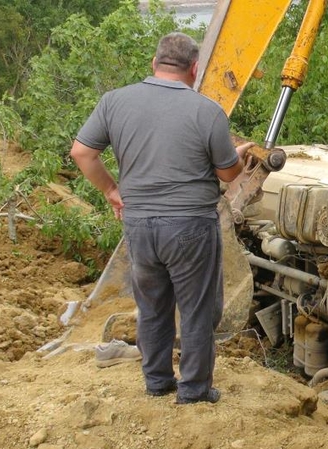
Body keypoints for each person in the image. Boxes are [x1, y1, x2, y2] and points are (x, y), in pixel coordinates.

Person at [70, 32, 253, 404]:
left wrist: (111, 190)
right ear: (194, 69)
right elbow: (228, 174)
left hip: (138, 224)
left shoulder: (114, 102)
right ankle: (193, 391)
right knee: (198, 310)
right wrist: (239, 155)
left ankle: (157, 382)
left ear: (154, 64)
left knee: (152, 306)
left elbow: (82, 153)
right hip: (190, 227)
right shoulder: (207, 111)